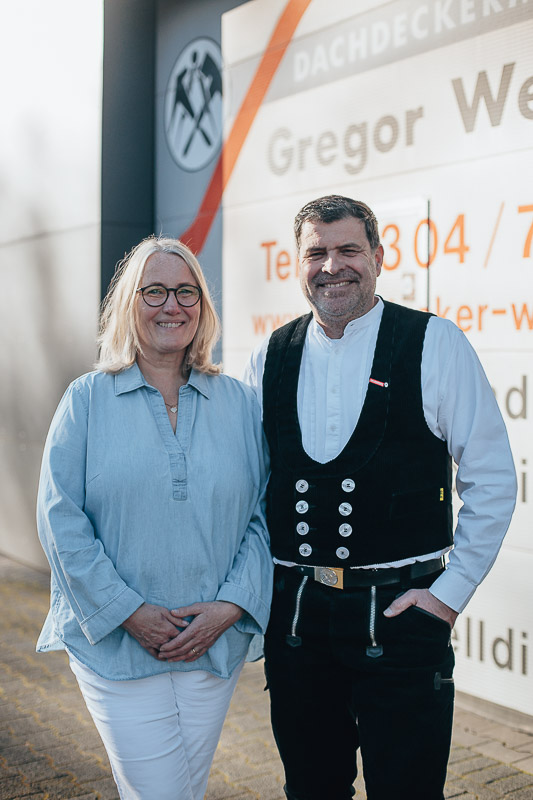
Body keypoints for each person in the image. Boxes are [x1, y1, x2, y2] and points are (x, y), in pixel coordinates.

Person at [243, 195, 517, 800]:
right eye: (316, 252)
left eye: (348, 250)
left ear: (378, 257)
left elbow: (494, 479)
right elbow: (249, 492)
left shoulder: (433, 342)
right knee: (311, 789)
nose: (331, 266)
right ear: (297, 262)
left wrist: (447, 596)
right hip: (297, 621)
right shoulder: (271, 355)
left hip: (400, 617)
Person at [37, 236, 273, 800]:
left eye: (186, 292)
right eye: (155, 292)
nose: (172, 305)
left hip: (210, 645)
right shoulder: (86, 399)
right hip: (116, 645)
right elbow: (59, 518)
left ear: (203, 306)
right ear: (129, 303)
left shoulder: (239, 402)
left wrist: (231, 607)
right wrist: (130, 612)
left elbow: (264, 514)